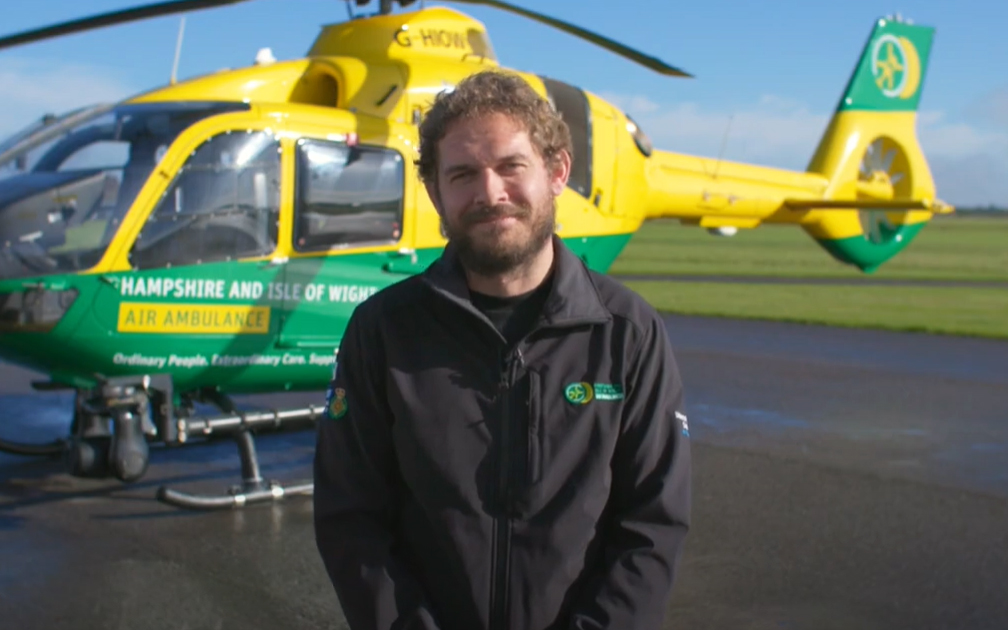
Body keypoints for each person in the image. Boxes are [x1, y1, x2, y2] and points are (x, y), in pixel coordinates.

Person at [314, 69, 691, 630]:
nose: (490, 194)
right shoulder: (383, 331)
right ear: (436, 193)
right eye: (463, 174)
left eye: (511, 166)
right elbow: (352, 519)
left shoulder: (627, 331)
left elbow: (652, 524)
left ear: (557, 171)